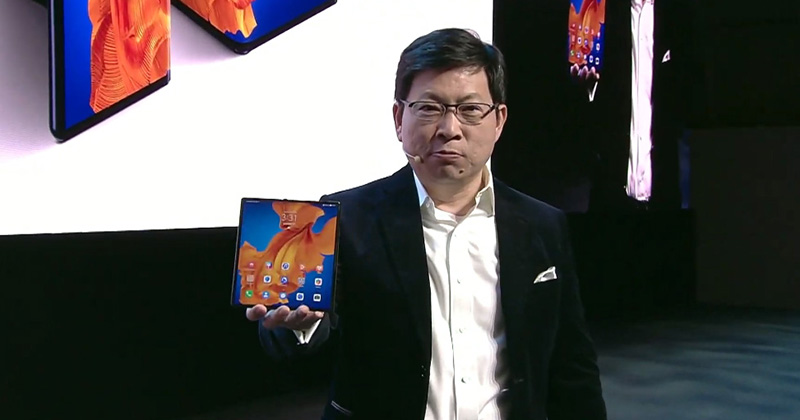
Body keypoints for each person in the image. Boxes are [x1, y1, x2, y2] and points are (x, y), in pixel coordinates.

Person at [245, 28, 607, 420]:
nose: (450, 129)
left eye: (470, 110)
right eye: (430, 108)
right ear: (399, 119)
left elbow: (572, 364)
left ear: (499, 121)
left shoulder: (542, 225)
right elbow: (299, 340)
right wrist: (296, 326)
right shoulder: (348, 218)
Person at [568, 0, 700, 212]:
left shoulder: (678, 15)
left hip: (665, 197)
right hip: (611, 197)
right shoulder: (599, 11)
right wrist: (588, 90)